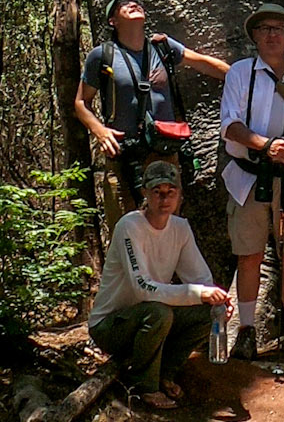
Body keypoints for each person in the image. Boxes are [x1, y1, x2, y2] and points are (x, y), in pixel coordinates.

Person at [220, 0, 284, 363]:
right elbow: (229, 125)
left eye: (279, 29)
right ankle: (247, 332)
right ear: (254, 36)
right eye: (264, 29)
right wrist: (265, 146)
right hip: (249, 178)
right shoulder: (240, 73)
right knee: (248, 255)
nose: (272, 35)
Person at [75, 0, 230, 226]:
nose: (133, 5)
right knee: (125, 228)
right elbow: (80, 103)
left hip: (164, 153)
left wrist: (245, 78)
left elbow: (203, 63)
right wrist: (100, 131)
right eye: (124, 4)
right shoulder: (102, 55)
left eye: (136, 2)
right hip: (123, 155)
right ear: (113, 21)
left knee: (166, 227)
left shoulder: (162, 47)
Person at [89, 156, 231, 410]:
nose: (164, 199)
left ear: (179, 195)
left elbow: (200, 279)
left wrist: (216, 299)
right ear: (145, 193)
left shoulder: (180, 228)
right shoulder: (129, 227)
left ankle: (165, 373)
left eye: (170, 192)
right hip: (111, 325)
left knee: (206, 311)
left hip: (151, 319)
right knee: (158, 312)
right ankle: (143, 386)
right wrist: (199, 292)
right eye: (157, 192)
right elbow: (142, 288)